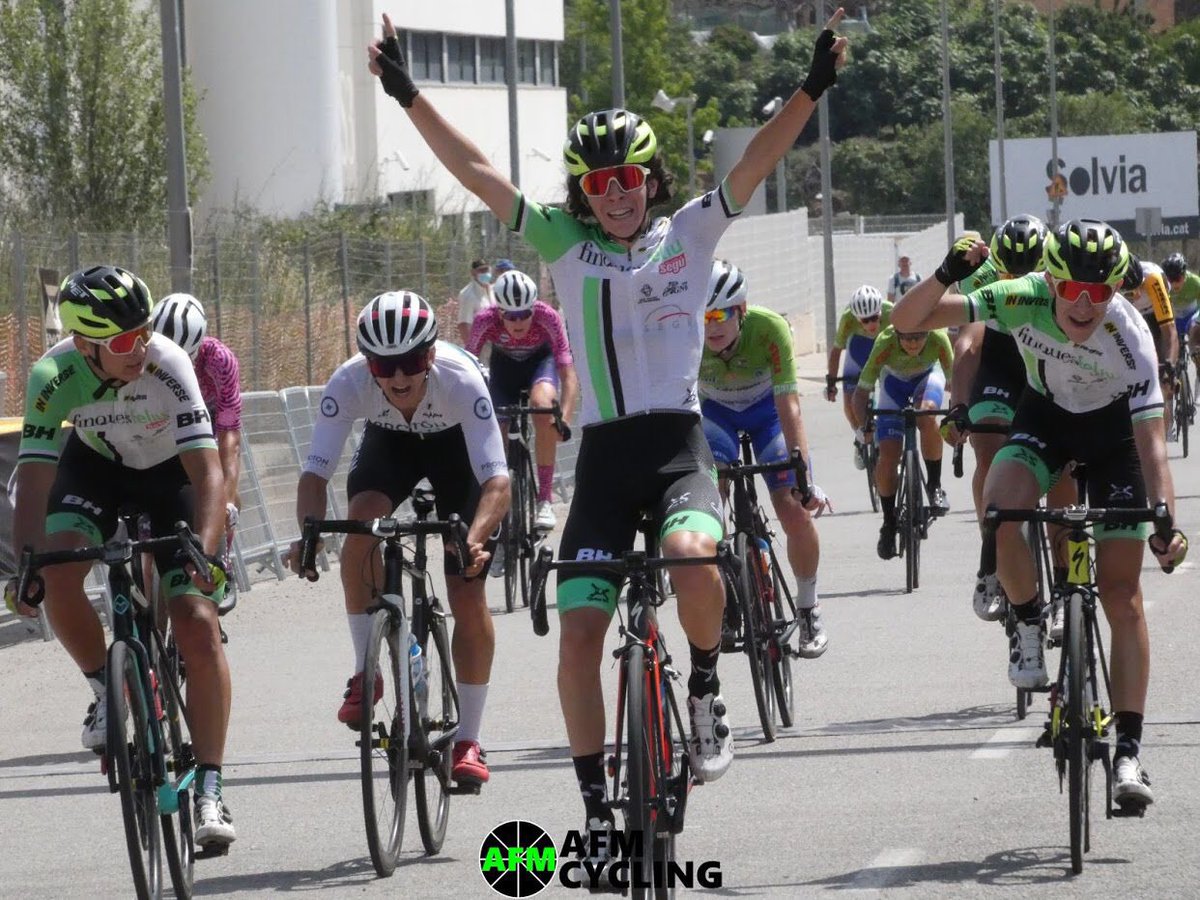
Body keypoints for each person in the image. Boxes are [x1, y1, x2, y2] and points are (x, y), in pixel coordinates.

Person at [366, 6, 847, 850]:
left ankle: (703, 689)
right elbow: (478, 171)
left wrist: (811, 87)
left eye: (627, 178)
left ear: (651, 181)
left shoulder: (693, 234)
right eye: (597, 183)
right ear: (582, 195)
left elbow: (765, 151)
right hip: (605, 463)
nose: (615, 193)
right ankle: (593, 801)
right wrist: (407, 92)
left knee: (696, 560)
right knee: (580, 636)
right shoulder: (561, 244)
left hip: (676, 451)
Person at [894, 220, 1188, 807]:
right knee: (1000, 510)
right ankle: (1028, 622)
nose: (1084, 304)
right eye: (1072, 289)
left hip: (1113, 440)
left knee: (1122, 596)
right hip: (1046, 420)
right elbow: (907, 321)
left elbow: (1152, 441)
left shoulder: (1130, 334)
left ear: (1114, 291)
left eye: (1099, 291)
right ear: (1049, 280)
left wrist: (1167, 524)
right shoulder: (1020, 295)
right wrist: (948, 272)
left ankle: (1129, 753)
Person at [7, 266, 236, 848]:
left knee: (196, 620)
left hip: (169, 477)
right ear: (84, 345)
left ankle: (210, 785)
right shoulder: (52, 375)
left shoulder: (166, 361)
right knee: (57, 574)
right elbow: (34, 474)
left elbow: (207, 471)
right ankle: (104, 689)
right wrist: (27, 562)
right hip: (97, 470)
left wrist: (205, 556)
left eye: (145, 330)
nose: (142, 347)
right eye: (125, 340)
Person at [288, 291, 509, 789]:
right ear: (368, 365)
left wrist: (473, 539)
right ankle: (367, 672)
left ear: (430, 355)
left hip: (457, 455)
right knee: (360, 525)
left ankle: (468, 738)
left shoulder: (461, 379)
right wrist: (308, 535)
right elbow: (314, 475)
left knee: (467, 589)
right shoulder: (347, 383)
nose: (399, 378)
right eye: (384, 368)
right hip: (392, 447)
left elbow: (497, 481)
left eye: (410, 363)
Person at [940, 215, 1074, 625]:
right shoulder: (980, 277)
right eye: (1008, 271)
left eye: (1028, 270)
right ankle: (991, 557)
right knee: (989, 450)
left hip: (1046, 368)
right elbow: (968, 345)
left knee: (1065, 469)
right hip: (1000, 366)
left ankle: (1068, 579)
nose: (1017, 278)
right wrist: (958, 407)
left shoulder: (1061, 281)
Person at [698, 259, 831, 658]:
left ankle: (808, 609)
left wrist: (803, 479)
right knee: (708, 508)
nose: (711, 326)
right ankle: (723, 593)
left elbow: (790, 407)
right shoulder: (685, 337)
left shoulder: (769, 328)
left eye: (720, 314)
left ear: (741, 310)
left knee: (794, 511)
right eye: (703, 317)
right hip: (716, 417)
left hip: (767, 415)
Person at [466, 268, 578, 533]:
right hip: (504, 369)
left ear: (534, 309)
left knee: (542, 409)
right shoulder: (485, 319)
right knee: (495, 429)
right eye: (511, 316)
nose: (519, 322)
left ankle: (545, 499)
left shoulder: (547, 316)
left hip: (540, 364)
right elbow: (467, 365)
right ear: (499, 312)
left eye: (525, 314)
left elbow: (567, 372)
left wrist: (564, 418)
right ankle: (495, 500)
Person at [151, 293, 243, 585]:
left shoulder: (219, 360)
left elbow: (230, 435)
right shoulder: (143, 351)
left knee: (219, 486)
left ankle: (219, 554)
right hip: (161, 417)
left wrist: (225, 501)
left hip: (208, 418)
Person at [850, 323, 954, 560]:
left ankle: (935, 485)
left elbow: (954, 383)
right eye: (907, 338)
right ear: (897, 334)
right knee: (887, 456)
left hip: (927, 378)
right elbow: (860, 394)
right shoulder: (884, 343)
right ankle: (888, 522)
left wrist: (956, 414)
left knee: (927, 415)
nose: (914, 343)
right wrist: (863, 425)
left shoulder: (939, 338)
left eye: (919, 336)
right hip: (892, 386)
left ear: (929, 332)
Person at [825, 284, 892, 468]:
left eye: (874, 318)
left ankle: (886, 439)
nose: (871, 324)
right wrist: (831, 381)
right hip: (859, 350)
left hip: (884, 348)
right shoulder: (848, 318)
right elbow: (837, 350)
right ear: (856, 317)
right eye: (865, 320)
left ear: (880, 311)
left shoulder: (891, 312)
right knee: (849, 403)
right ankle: (860, 437)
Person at [1120, 256, 1177, 439]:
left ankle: (1161, 438)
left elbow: (1169, 331)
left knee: (1162, 382)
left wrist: (1168, 364)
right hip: (1131, 318)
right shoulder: (1112, 287)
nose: (1135, 294)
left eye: (1138, 288)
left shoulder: (1152, 279)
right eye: (1130, 292)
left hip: (1155, 316)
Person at [1161, 252, 1200, 369]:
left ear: (1184, 274)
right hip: (1174, 316)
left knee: (1194, 331)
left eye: (1177, 278)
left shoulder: (1195, 282)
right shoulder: (1162, 284)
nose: (1174, 284)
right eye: (1170, 279)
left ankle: (1197, 361)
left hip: (1191, 315)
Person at [456, 258, 494, 346]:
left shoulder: (492, 291)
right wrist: (472, 348)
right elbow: (463, 324)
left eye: (486, 269)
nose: (485, 273)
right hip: (480, 346)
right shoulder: (468, 295)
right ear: (473, 272)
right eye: (481, 270)